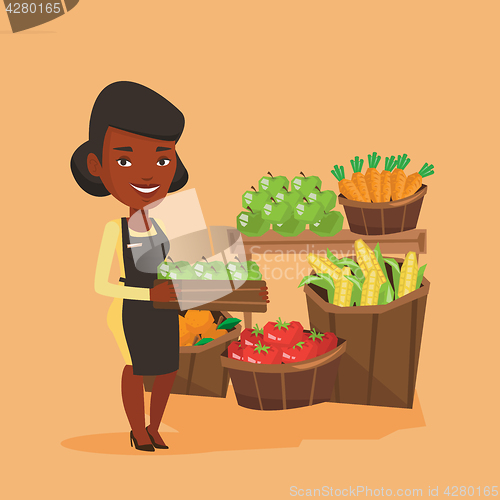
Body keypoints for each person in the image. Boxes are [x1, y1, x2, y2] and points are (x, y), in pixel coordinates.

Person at [71, 81, 190, 452]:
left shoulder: (172, 223)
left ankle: (155, 426)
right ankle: (137, 429)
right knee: (136, 368)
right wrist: (145, 291)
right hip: (131, 311)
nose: (147, 174)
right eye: (124, 160)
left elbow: (185, 266)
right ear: (97, 166)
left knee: (168, 369)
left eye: (161, 159)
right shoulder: (114, 230)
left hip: (166, 308)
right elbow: (101, 284)